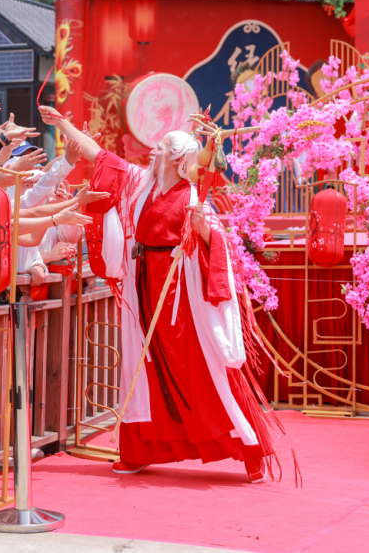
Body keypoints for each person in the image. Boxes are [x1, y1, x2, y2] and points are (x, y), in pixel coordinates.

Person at [40, 105, 274, 481]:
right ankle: (137, 450)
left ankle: (249, 448)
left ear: (179, 159)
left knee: (202, 368)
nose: (154, 150)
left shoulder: (194, 199)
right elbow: (101, 156)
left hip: (181, 296)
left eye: (162, 147)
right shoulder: (140, 183)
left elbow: (222, 249)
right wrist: (63, 123)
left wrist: (203, 231)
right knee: (142, 368)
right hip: (142, 286)